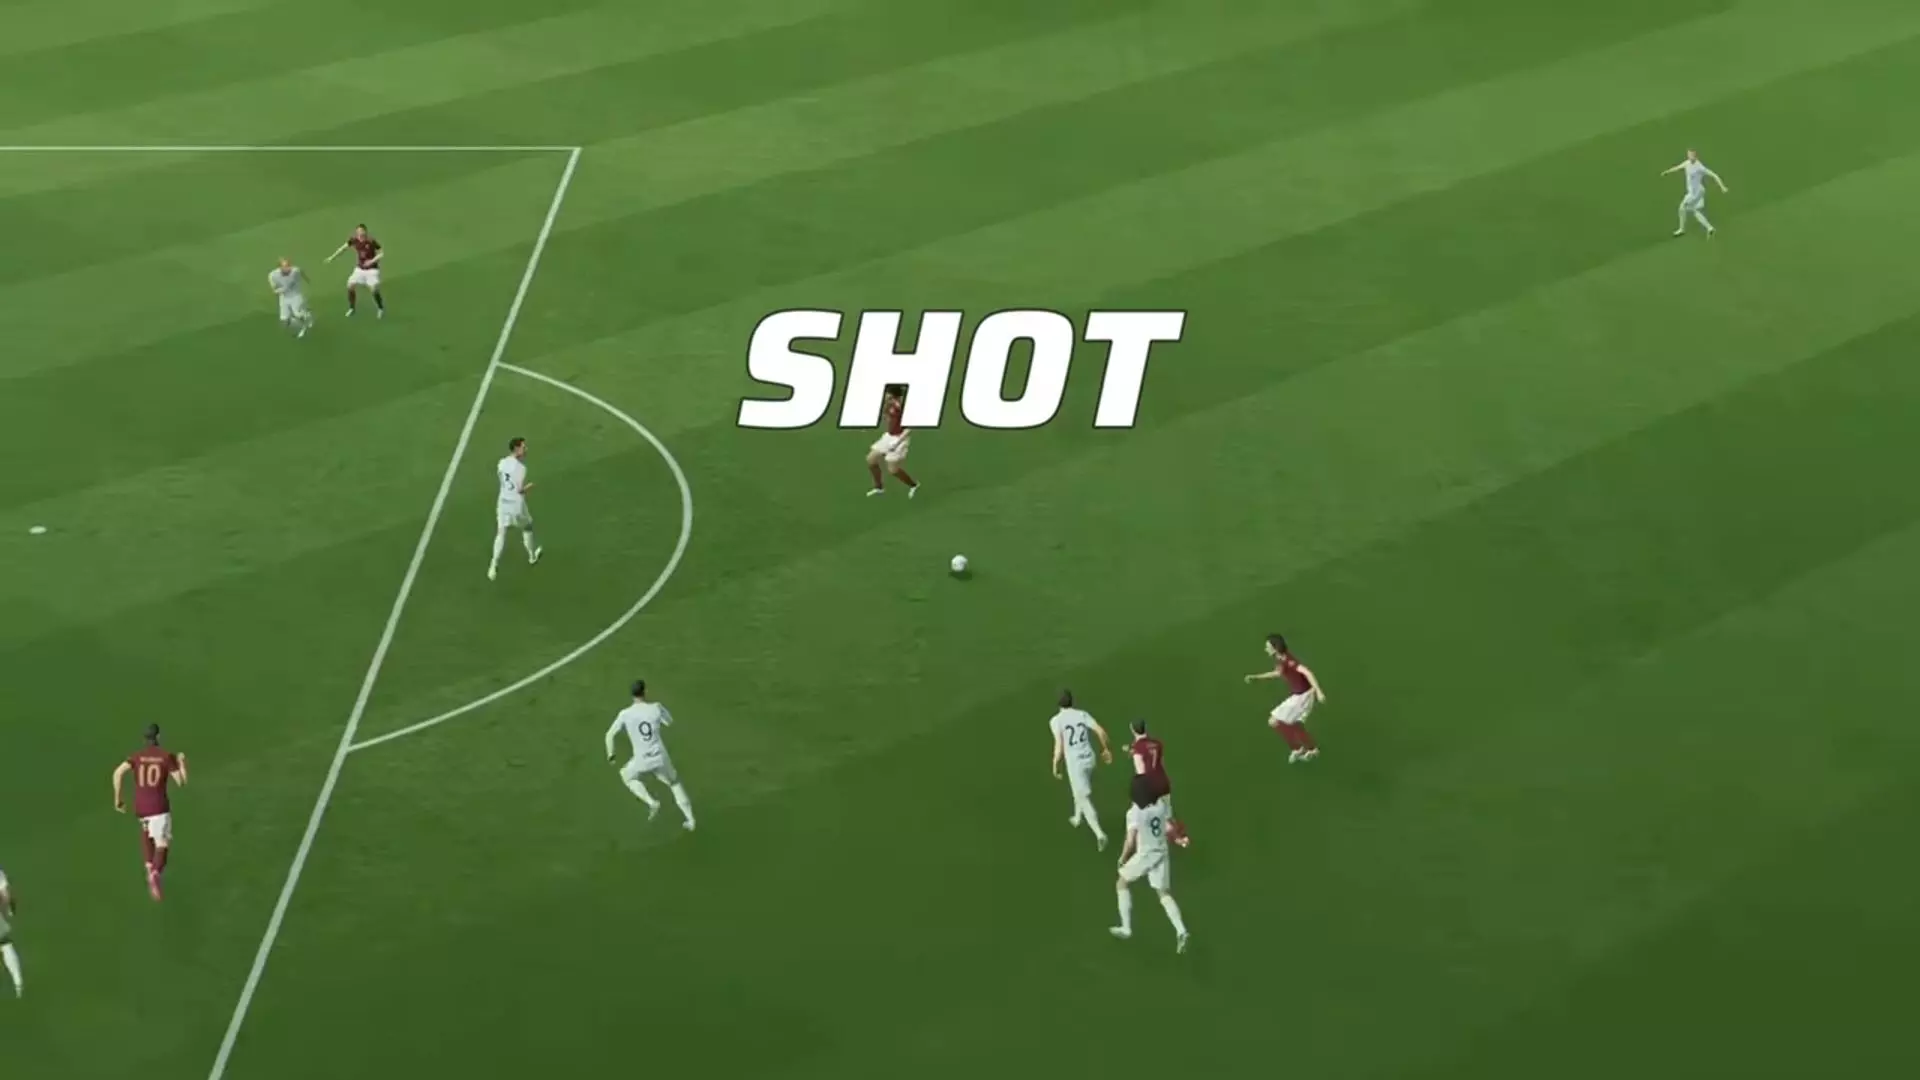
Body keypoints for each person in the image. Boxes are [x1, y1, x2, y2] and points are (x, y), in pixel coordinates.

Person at [605, 680, 696, 830]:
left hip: (641, 760)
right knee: (674, 783)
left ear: (632, 695)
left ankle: (652, 802)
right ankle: (690, 820)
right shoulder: (656, 707)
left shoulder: (625, 714)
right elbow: (669, 722)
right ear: (645, 692)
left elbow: (609, 735)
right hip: (659, 757)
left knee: (626, 776)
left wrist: (611, 755)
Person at [1049, 690, 1113, 849]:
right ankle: (1078, 817)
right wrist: (1105, 749)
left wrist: (1055, 764)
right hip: (1090, 759)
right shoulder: (1082, 714)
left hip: (1076, 763)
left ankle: (1100, 834)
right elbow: (1100, 731)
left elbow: (1059, 747)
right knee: (1078, 790)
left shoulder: (1056, 721)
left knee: (1083, 798)